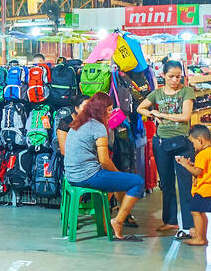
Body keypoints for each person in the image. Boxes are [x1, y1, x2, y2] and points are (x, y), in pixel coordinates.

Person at [58, 91, 146, 241]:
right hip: (87, 176)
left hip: (72, 175)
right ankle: (118, 221)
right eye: (110, 109)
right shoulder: (97, 126)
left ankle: (112, 220)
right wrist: (118, 174)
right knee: (137, 182)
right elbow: (104, 160)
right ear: (101, 109)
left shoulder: (78, 122)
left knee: (118, 181)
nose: (111, 112)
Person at [137, 59, 196, 239]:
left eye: (178, 76)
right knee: (167, 183)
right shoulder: (157, 93)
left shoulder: (187, 91)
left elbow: (186, 116)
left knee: (185, 183)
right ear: (163, 75)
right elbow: (140, 108)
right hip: (160, 142)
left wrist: (161, 114)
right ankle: (170, 220)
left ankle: (190, 224)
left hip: (181, 142)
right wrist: (151, 113)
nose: (175, 80)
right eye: (171, 76)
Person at [176, 124, 211, 247]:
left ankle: (199, 238)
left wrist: (185, 165)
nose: (193, 146)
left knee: (195, 212)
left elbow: (197, 172)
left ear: (200, 140)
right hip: (209, 189)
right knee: (201, 213)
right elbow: (202, 168)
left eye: (193, 143)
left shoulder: (201, 154)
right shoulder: (209, 151)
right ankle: (203, 237)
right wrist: (192, 164)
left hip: (202, 189)